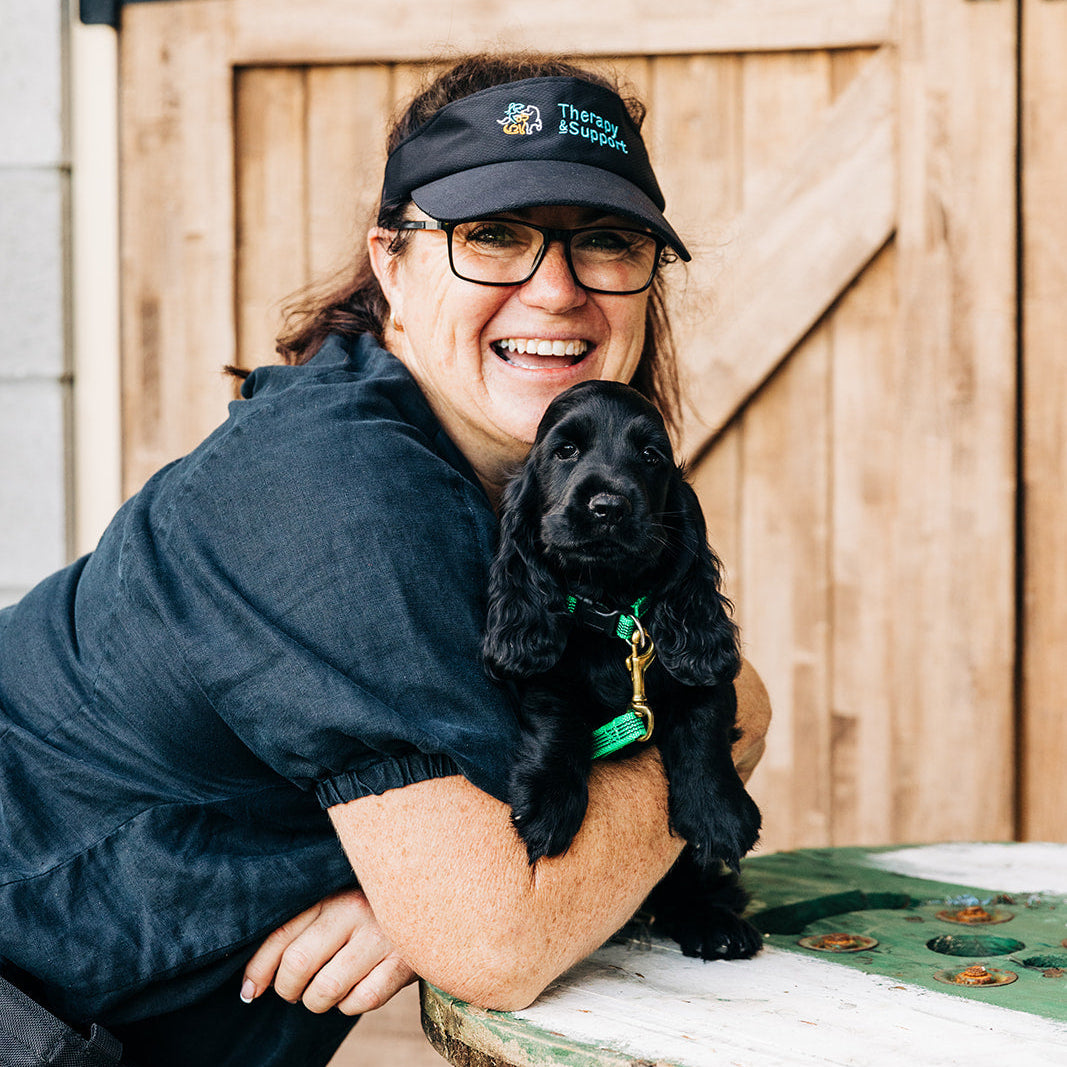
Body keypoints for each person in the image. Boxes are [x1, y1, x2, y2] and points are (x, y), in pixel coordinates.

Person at [0, 52, 770, 1066]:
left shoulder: (506, 485)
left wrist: (417, 899)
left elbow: (720, 693)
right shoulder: (343, 490)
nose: (555, 290)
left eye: (606, 242)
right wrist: (471, 894)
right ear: (393, 262)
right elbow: (499, 936)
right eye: (493, 236)